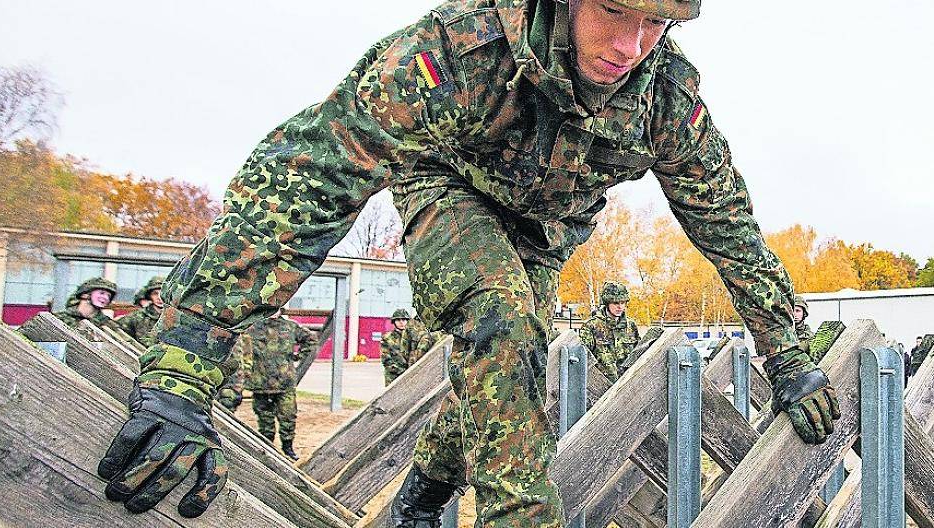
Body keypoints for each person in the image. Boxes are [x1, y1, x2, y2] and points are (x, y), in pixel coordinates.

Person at [98, 0, 840, 524]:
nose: (632, 43)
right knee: (501, 320)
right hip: (447, 191)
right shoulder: (455, 52)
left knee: (506, 369)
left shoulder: (665, 100)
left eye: (657, 22)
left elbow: (728, 226)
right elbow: (314, 170)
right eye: (616, 11)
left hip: (544, 234)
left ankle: (424, 485)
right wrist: (183, 360)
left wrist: (789, 356)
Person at [234, 310, 316, 460]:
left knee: (288, 416)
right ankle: (267, 449)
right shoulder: (254, 327)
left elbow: (311, 339)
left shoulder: (290, 326)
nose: (274, 312)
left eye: (277, 309)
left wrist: (299, 356)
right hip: (261, 383)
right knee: (265, 421)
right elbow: (239, 344)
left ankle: (288, 448)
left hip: (284, 382)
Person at [578, 281, 640, 382]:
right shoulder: (591, 326)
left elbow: (638, 354)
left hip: (627, 384)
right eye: (615, 303)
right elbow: (583, 358)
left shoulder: (631, 326)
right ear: (607, 303)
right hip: (600, 386)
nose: (620, 307)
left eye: (622, 303)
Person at [26, 277, 120, 335]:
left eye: (109, 296)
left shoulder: (108, 325)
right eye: (102, 293)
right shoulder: (59, 318)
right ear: (85, 295)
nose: (105, 298)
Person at [116, 276, 165, 347]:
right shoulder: (137, 317)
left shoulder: (176, 318)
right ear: (150, 296)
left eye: (162, 293)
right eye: (155, 293)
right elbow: (117, 331)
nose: (159, 297)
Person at [382, 308, 413, 385]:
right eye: (398, 320)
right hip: (393, 376)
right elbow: (386, 359)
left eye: (404, 319)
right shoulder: (387, 338)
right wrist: (401, 371)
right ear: (394, 322)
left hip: (411, 375)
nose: (401, 322)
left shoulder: (413, 337)